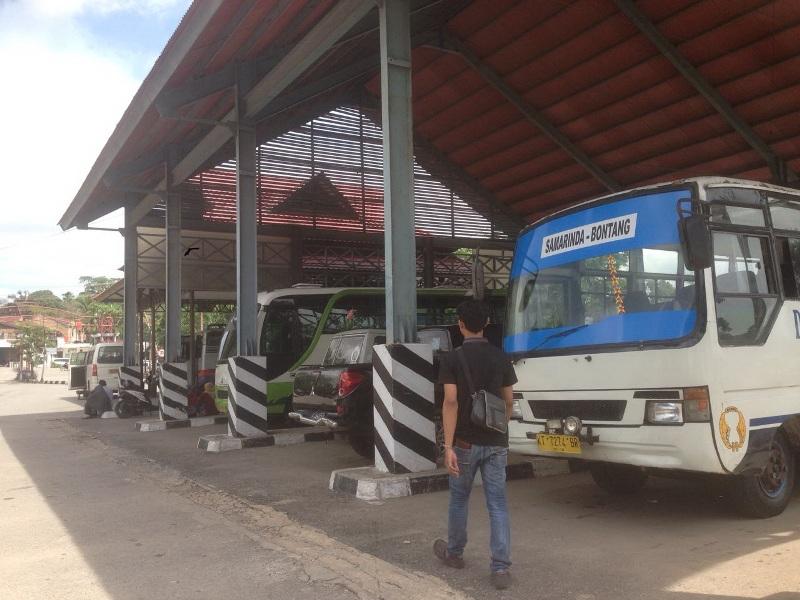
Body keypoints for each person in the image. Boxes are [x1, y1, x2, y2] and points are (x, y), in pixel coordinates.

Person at [433, 300, 517, 590]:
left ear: (460, 325)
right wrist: (499, 426)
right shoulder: (501, 357)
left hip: (465, 442)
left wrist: (448, 445)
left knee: (459, 499)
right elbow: (508, 402)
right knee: (498, 503)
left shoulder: (452, 359)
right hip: (496, 442)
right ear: (486, 325)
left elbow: (451, 401)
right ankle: (501, 568)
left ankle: (454, 553)